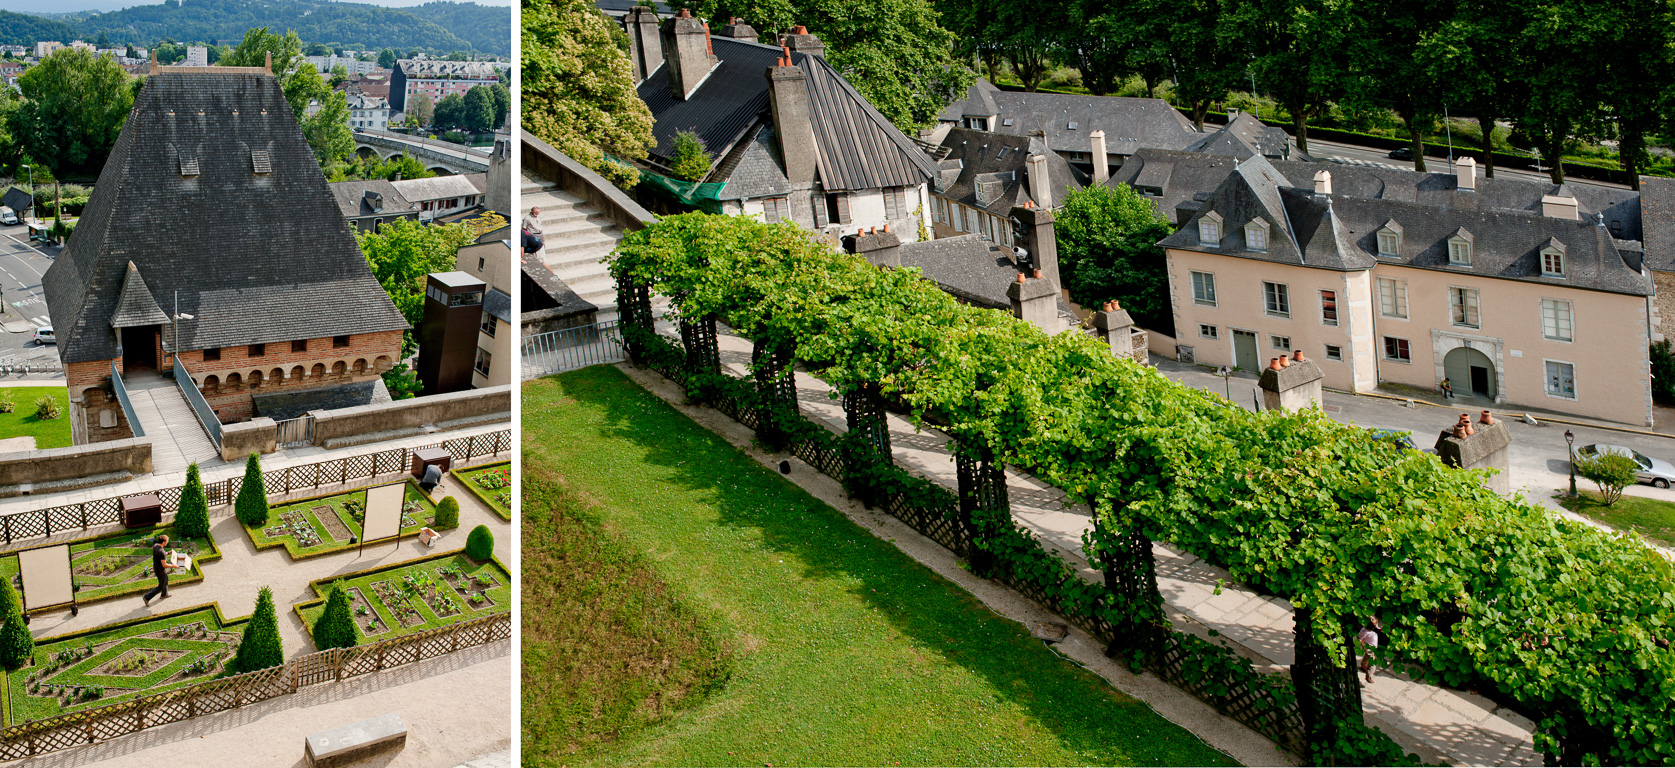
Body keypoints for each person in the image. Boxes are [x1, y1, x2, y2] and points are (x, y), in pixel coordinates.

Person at [143, 534, 178, 606]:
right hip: (160, 570)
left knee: (166, 579)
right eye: (167, 541)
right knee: (161, 586)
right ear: (163, 542)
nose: (167, 542)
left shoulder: (156, 546)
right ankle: (146, 597)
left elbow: (160, 555)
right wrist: (173, 566)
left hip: (156, 568)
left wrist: (168, 553)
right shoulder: (161, 552)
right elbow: (164, 565)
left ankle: (164, 594)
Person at [1357, 616, 1383, 684]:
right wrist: (1363, 645)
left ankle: (1363, 666)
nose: (1376, 626)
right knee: (1372, 664)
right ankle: (1369, 676)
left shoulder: (1371, 629)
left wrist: (1380, 629)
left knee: (1366, 657)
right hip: (1369, 648)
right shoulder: (1365, 632)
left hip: (1372, 648)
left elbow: (1377, 628)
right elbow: (1359, 638)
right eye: (1374, 625)